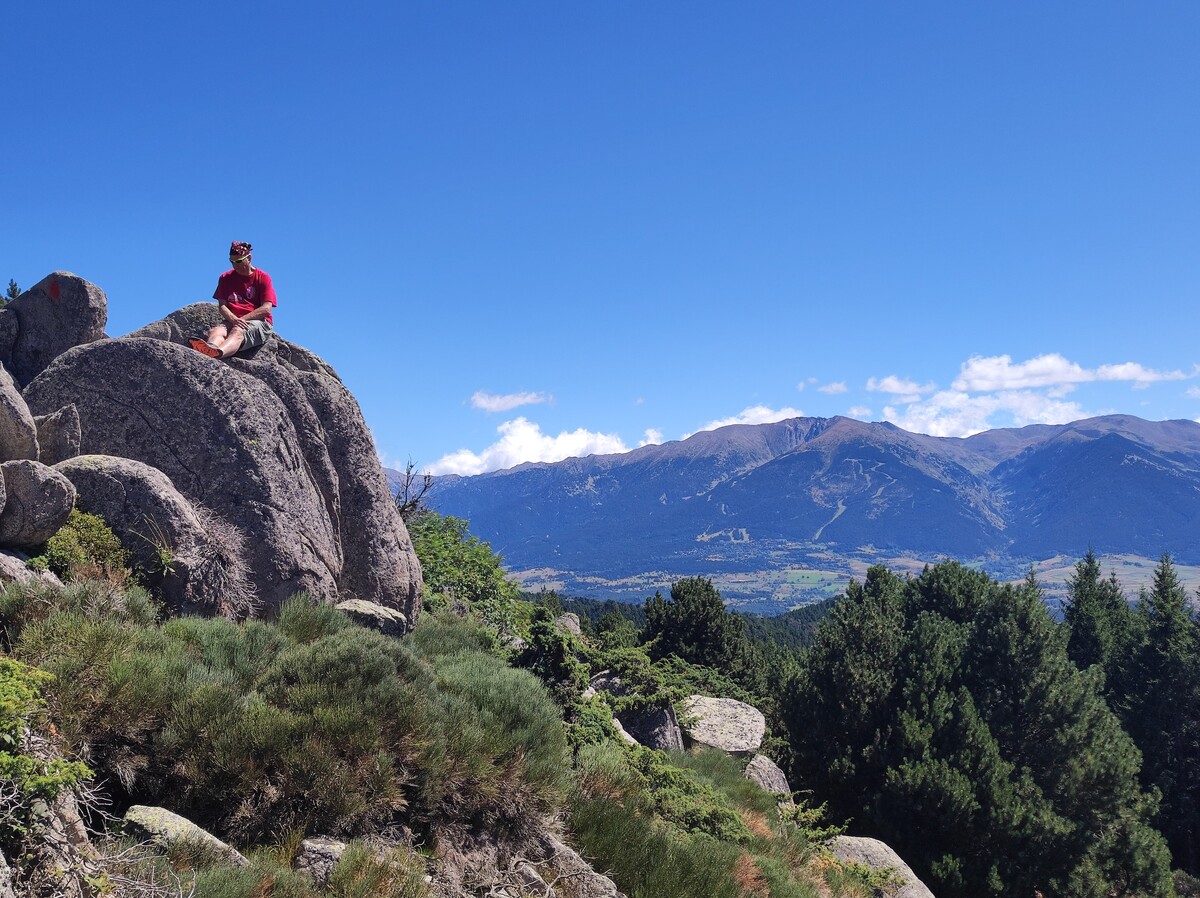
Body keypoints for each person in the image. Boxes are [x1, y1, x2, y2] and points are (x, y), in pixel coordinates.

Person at [189, 241, 278, 359]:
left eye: (239, 261)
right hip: (233, 320)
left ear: (249, 258)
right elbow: (222, 306)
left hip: (259, 322)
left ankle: (219, 353)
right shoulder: (225, 278)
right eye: (232, 261)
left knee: (237, 330)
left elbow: (266, 309)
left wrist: (240, 320)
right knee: (216, 331)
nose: (235, 265)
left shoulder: (263, 277)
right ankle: (210, 348)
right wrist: (233, 319)